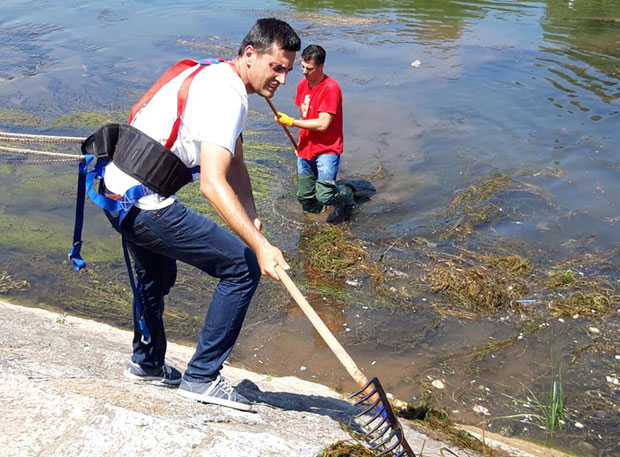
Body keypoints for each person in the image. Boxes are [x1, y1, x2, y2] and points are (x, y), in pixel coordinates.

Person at [101, 18, 300, 412]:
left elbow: (235, 160)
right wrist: (259, 247)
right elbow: (212, 183)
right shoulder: (230, 96)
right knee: (242, 267)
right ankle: (202, 377)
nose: (281, 79)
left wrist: (251, 214)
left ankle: (148, 364)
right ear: (249, 54)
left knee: (154, 277)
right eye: (275, 67)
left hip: (115, 192)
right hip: (143, 202)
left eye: (287, 71)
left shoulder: (214, 73)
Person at [274, 44, 354, 223]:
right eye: (302, 67)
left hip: (327, 149)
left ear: (321, 67)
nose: (304, 72)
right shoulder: (302, 85)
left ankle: (347, 194)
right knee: (305, 198)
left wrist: (291, 122)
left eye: (309, 69)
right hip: (305, 149)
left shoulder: (331, 88)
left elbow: (323, 123)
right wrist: (301, 142)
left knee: (325, 194)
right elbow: (306, 115)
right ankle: (315, 222)